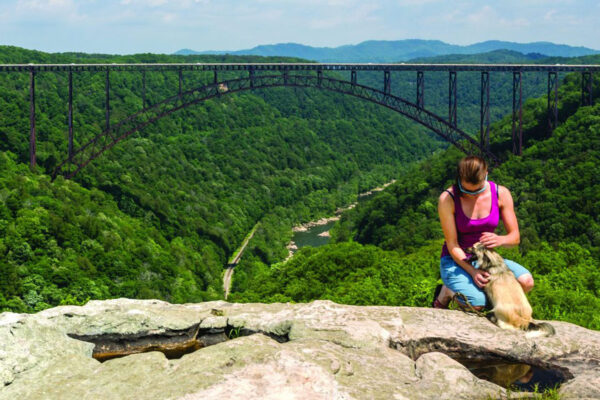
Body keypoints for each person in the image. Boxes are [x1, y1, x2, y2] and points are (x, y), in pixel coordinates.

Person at [433, 155, 534, 309]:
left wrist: (501, 240)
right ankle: (446, 291)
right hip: (455, 260)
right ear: (459, 179)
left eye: (477, 190)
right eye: (465, 190)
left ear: (486, 174)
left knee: (526, 282)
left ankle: (470, 292)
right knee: (478, 304)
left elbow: (515, 238)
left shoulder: (501, 194)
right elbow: (452, 244)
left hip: (486, 258)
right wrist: (472, 271)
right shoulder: (448, 199)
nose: (472, 195)